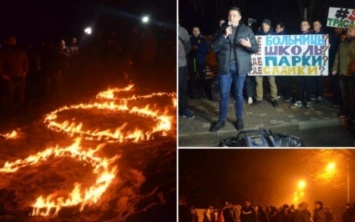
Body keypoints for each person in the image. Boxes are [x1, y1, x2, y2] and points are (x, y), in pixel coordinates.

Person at [210, 6, 258, 132]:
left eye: (234, 15)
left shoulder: (247, 30)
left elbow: (255, 48)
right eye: (230, 15)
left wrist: (248, 44)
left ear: (240, 17)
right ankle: (221, 120)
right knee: (224, 95)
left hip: (239, 67)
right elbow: (214, 47)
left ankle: (239, 118)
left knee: (238, 94)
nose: (232, 17)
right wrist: (224, 35)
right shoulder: (222, 30)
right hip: (225, 67)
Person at [254, 18, 279, 107]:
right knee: (258, 80)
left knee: (272, 80)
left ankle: (274, 98)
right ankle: (259, 98)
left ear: (269, 26)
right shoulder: (258, 34)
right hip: (260, 62)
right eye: (263, 24)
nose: (264, 26)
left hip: (269, 62)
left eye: (266, 24)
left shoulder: (273, 35)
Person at [0, 36, 29, 112]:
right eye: (10, 41)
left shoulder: (21, 51)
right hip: (10, 78)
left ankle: (21, 112)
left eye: (13, 41)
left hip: (20, 77)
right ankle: (9, 112)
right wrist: (3, 75)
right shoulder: (4, 52)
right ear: (7, 42)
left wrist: (25, 71)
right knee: (9, 96)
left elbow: (26, 62)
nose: (12, 42)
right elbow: (0, 64)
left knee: (20, 96)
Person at [290, 20, 313, 110]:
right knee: (299, 83)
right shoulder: (297, 37)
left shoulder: (313, 38)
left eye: (305, 25)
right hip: (299, 65)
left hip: (309, 65)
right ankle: (299, 101)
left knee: (308, 84)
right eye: (301, 24)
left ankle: (308, 102)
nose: (302, 26)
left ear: (308, 26)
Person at [331, 29, 353, 121]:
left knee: (352, 95)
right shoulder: (342, 44)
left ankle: (352, 114)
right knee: (344, 94)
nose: (348, 33)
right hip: (342, 73)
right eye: (347, 31)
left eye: (350, 31)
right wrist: (334, 68)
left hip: (351, 74)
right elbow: (337, 57)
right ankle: (346, 111)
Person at [179, 24, 195, 119]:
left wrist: (181, 55)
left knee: (182, 88)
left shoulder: (183, 31)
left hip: (181, 64)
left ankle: (184, 109)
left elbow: (188, 46)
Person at [188, 26, 209, 99]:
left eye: (197, 30)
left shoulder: (203, 40)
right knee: (193, 78)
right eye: (194, 30)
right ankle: (193, 93)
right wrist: (191, 49)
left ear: (199, 31)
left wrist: (198, 48)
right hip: (192, 62)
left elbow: (206, 51)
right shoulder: (190, 39)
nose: (195, 32)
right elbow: (187, 50)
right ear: (192, 32)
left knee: (202, 78)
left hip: (201, 62)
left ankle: (202, 92)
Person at [275, 22, 292, 102]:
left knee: (282, 79)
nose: (276, 29)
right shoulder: (278, 37)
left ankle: (281, 94)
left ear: (282, 28)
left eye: (277, 28)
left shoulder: (280, 37)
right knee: (283, 80)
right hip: (283, 61)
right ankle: (287, 96)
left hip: (282, 61)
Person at [311, 19, 325, 103]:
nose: (314, 26)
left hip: (319, 60)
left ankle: (319, 95)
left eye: (316, 24)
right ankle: (313, 93)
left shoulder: (323, 35)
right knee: (312, 78)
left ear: (320, 25)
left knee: (319, 78)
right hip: (312, 60)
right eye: (314, 24)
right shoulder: (311, 34)